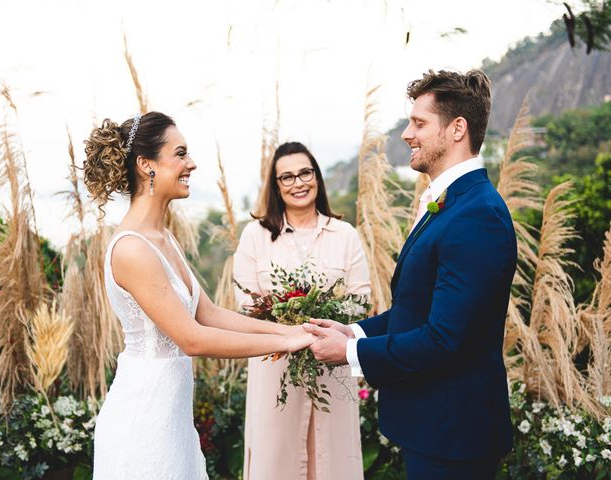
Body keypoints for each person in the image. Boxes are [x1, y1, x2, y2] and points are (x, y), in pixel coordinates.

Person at [304, 70, 517, 480]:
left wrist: (348, 354)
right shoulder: (449, 204)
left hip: (455, 439)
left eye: (419, 123)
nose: (406, 134)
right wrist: (355, 333)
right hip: (432, 430)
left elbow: (444, 339)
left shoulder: (477, 216)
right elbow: (418, 310)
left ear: (458, 129)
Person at [83, 112, 314, 480]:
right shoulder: (132, 249)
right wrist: (288, 343)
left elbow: (209, 314)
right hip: (142, 422)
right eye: (180, 153)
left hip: (171, 420)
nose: (191, 163)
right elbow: (191, 338)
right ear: (146, 165)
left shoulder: (163, 238)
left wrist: (289, 329)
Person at [233, 141, 370, 480]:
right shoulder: (255, 236)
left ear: (317, 177)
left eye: (305, 173)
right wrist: (290, 328)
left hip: (332, 364)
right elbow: (246, 302)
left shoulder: (345, 234)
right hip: (275, 367)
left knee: (333, 459)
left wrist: (323, 325)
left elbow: (361, 300)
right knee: (276, 459)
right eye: (287, 177)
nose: (298, 183)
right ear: (276, 186)